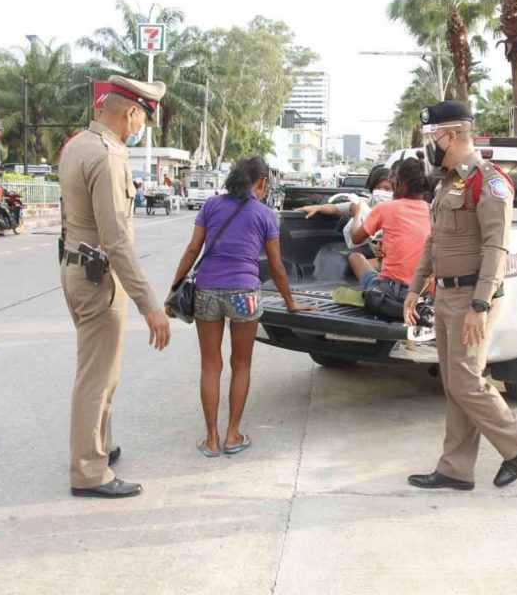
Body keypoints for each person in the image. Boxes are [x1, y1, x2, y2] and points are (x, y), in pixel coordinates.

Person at [403, 100, 517, 491]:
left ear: (449, 135)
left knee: (466, 381)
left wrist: (480, 305)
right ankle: (456, 468)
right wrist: (415, 288)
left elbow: (497, 247)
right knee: (454, 384)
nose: (428, 144)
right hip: (446, 296)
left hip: (472, 297)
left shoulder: (490, 180)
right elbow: (434, 241)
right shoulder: (448, 182)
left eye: (431, 136)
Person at [58, 75, 172, 499]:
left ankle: (98, 447)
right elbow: (116, 240)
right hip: (99, 278)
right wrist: (150, 305)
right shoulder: (107, 158)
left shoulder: (77, 144)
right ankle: (89, 471)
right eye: (141, 118)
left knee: (97, 368)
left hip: (75, 270)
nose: (139, 126)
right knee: (98, 376)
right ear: (130, 113)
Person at [167, 157, 313, 458]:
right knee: (241, 364)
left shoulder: (211, 205)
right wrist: (290, 302)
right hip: (245, 293)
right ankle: (233, 435)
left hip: (207, 290)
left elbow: (193, 249)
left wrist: (173, 291)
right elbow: (276, 265)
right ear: (260, 183)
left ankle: (211, 439)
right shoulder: (265, 214)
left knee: (210, 365)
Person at [347, 158, 431, 293]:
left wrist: (356, 213)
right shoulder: (433, 211)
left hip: (392, 292)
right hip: (425, 292)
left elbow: (356, 238)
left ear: (400, 184)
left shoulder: (386, 208)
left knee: (355, 257)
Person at [296, 166, 394, 253]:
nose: (381, 192)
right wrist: (318, 208)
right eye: (378, 188)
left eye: (387, 189)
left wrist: (357, 214)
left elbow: (356, 239)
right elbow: (335, 208)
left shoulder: (398, 210)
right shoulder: (364, 203)